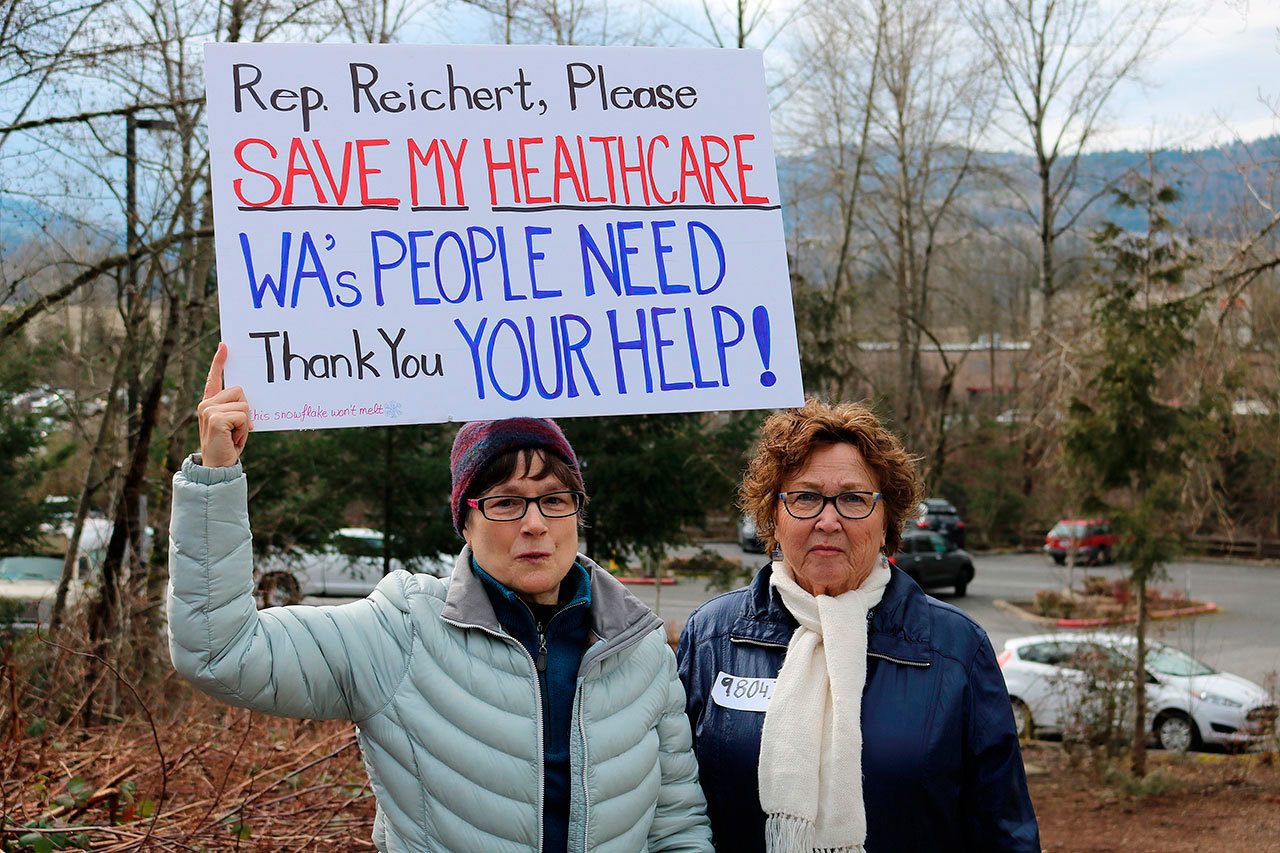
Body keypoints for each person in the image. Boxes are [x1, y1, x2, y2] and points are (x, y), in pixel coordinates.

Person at [169, 343, 713, 853]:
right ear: (466, 521)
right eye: (505, 503)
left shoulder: (639, 650)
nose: (534, 525)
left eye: (555, 500)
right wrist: (217, 475)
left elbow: (676, 825)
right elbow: (221, 651)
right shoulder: (401, 630)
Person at [676, 400, 1039, 852]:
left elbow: (1002, 831)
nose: (828, 520)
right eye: (805, 497)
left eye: (853, 498)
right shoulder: (713, 638)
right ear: (773, 517)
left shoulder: (955, 650)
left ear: (887, 522)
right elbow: (673, 809)